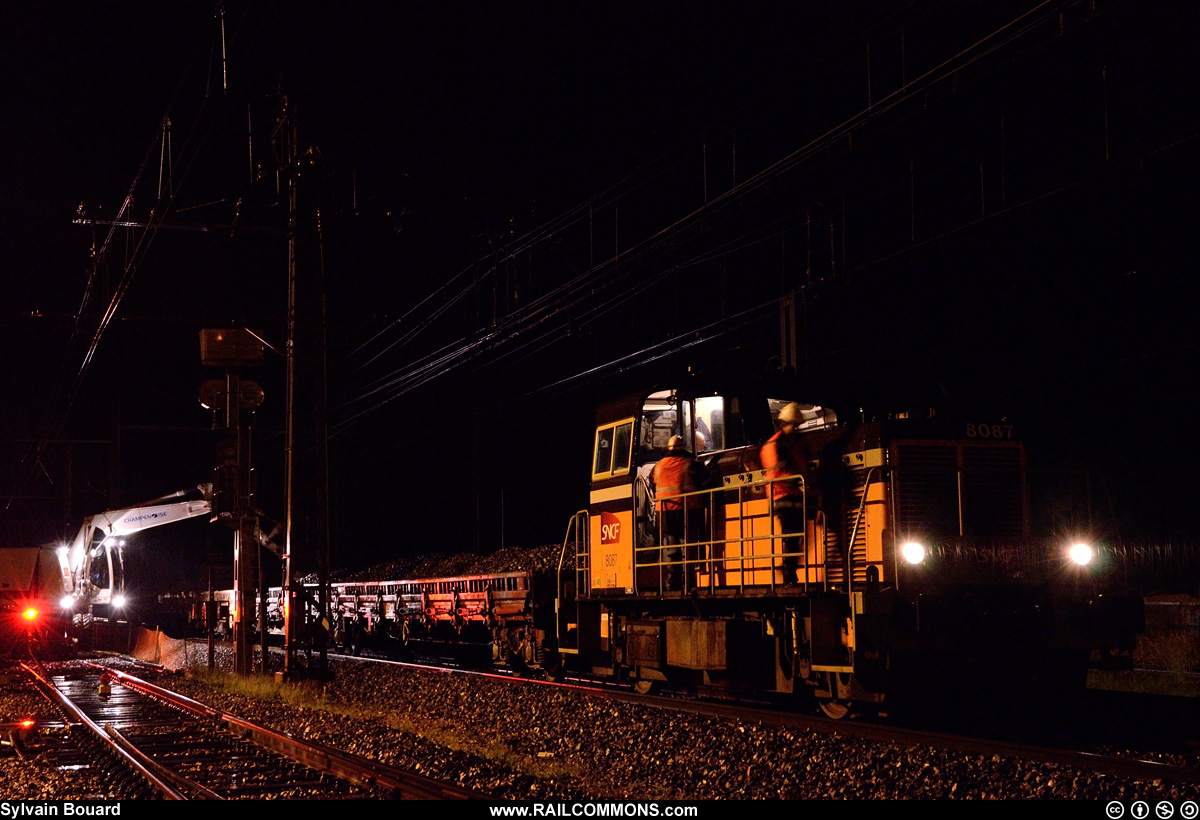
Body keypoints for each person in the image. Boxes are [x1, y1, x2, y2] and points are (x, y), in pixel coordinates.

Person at [760, 402, 816, 585]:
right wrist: (797, 478)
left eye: (798, 425)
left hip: (797, 497)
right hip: (781, 497)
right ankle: (788, 576)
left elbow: (806, 468)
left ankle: (789, 571)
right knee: (791, 537)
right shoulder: (774, 445)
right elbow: (777, 470)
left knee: (798, 538)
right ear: (784, 424)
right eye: (794, 425)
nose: (796, 429)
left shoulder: (798, 444)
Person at [651, 434, 708, 590]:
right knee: (687, 548)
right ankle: (689, 582)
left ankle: (672, 582)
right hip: (688, 511)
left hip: (665, 512)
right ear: (684, 448)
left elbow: (652, 484)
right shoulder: (691, 464)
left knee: (671, 548)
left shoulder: (658, 466)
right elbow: (706, 483)